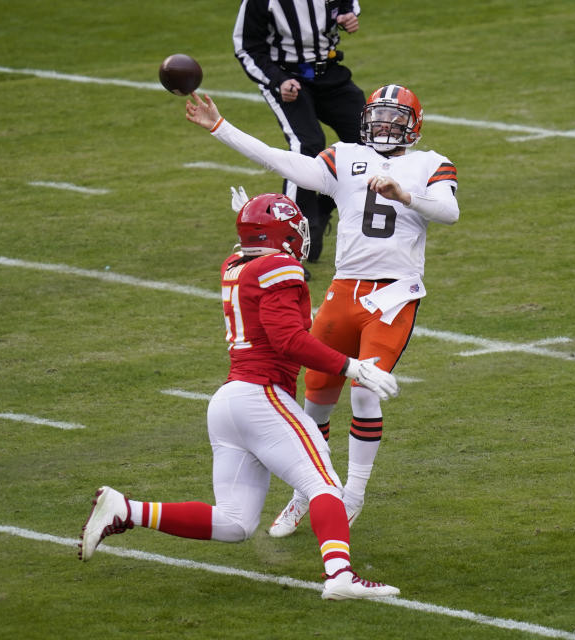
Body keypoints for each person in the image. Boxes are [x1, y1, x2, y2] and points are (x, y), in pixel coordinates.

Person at [79, 193, 400, 600]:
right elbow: (288, 340)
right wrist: (353, 367)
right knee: (325, 485)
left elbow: (265, 293)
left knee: (234, 523)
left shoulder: (235, 264)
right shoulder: (279, 266)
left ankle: (126, 510)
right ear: (282, 232)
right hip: (261, 396)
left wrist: (254, 218)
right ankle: (340, 575)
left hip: (230, 401)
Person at [185, 84, 459, 537]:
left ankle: (353, 494)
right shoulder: (346, 156)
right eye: (380, 116)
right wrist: (221, 128)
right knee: (316, 398)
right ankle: (306, 491)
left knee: (367, 390)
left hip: (394, 293)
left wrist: (404, 195)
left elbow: (449, 212)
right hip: (345, 288)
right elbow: (281, 160)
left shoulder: (431, 163)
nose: (386, 126)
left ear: (414, 125)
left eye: (396, 119)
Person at [233, 0, 366, 264]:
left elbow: (346, 7)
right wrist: (277, 80)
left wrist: (348, 18)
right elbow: (246, 46)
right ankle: (286, 250)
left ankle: (320, 209)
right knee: (307, 144)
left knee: (368, 137)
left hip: (328, 72)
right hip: (286, 77)